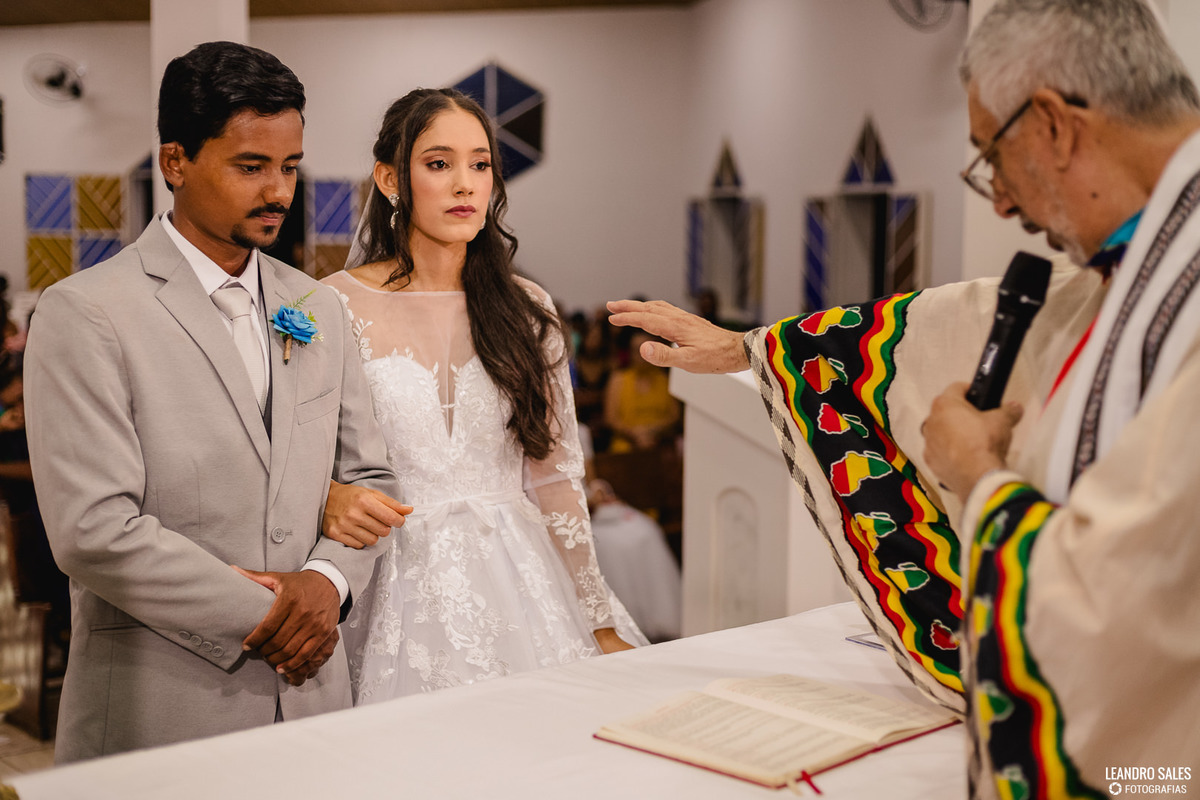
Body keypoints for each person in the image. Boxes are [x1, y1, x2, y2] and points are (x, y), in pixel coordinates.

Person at [609, 1, 1200, 797]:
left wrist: (978, 474)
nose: (999, 203)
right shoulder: (1149, 261)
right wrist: (752, 348)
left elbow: (1129, 591)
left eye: (992, 157)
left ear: (1055, 125)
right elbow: (961, 317)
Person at [24, 41, 405, 763]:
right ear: (176, 163)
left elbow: (372, 481)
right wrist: (277, 615)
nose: (279, 192)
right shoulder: (87, 311)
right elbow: (93, 529)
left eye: (290, 167)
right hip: (163, 708)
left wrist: (325, 584)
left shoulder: (315, 304)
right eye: (250, 166)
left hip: (314, 701)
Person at [320, 88, 646, 703]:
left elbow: (554, 478)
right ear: (391, 179)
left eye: (481, 164)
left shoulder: (527, 310)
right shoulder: (333, 304)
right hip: (389, 577)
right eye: (439, 164)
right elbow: (306, 454)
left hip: (519, 578)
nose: (465, 184)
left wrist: (596, 618)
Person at [603, 329, 681, 452]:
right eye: (636, 351)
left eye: (647, 351)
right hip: (626, 445)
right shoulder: (618, 379)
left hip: (660, 443)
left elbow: (674, 416)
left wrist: (652, 431)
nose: (642, 357)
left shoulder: (664, 379)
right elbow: (611, 419)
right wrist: (636, 434)